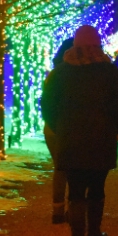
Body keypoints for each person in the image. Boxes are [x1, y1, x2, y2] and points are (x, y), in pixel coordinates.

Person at [41, 25, 118, 236]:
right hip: (101, 137)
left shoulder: (61, 73)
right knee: (97, 188)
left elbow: (47, 105)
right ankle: (94, 233)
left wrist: (58, 127)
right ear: (97, 45)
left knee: (76, 190)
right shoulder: (109, 72)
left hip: (71, 137)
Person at [44, 36, 73, 224]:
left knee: (60, 168)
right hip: (69, 127)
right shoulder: (77, 74)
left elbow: (46, 102)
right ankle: (73, 207)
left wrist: (53, 125)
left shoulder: (54, 74)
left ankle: (57, 210)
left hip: (53, 128)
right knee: (74, 169)